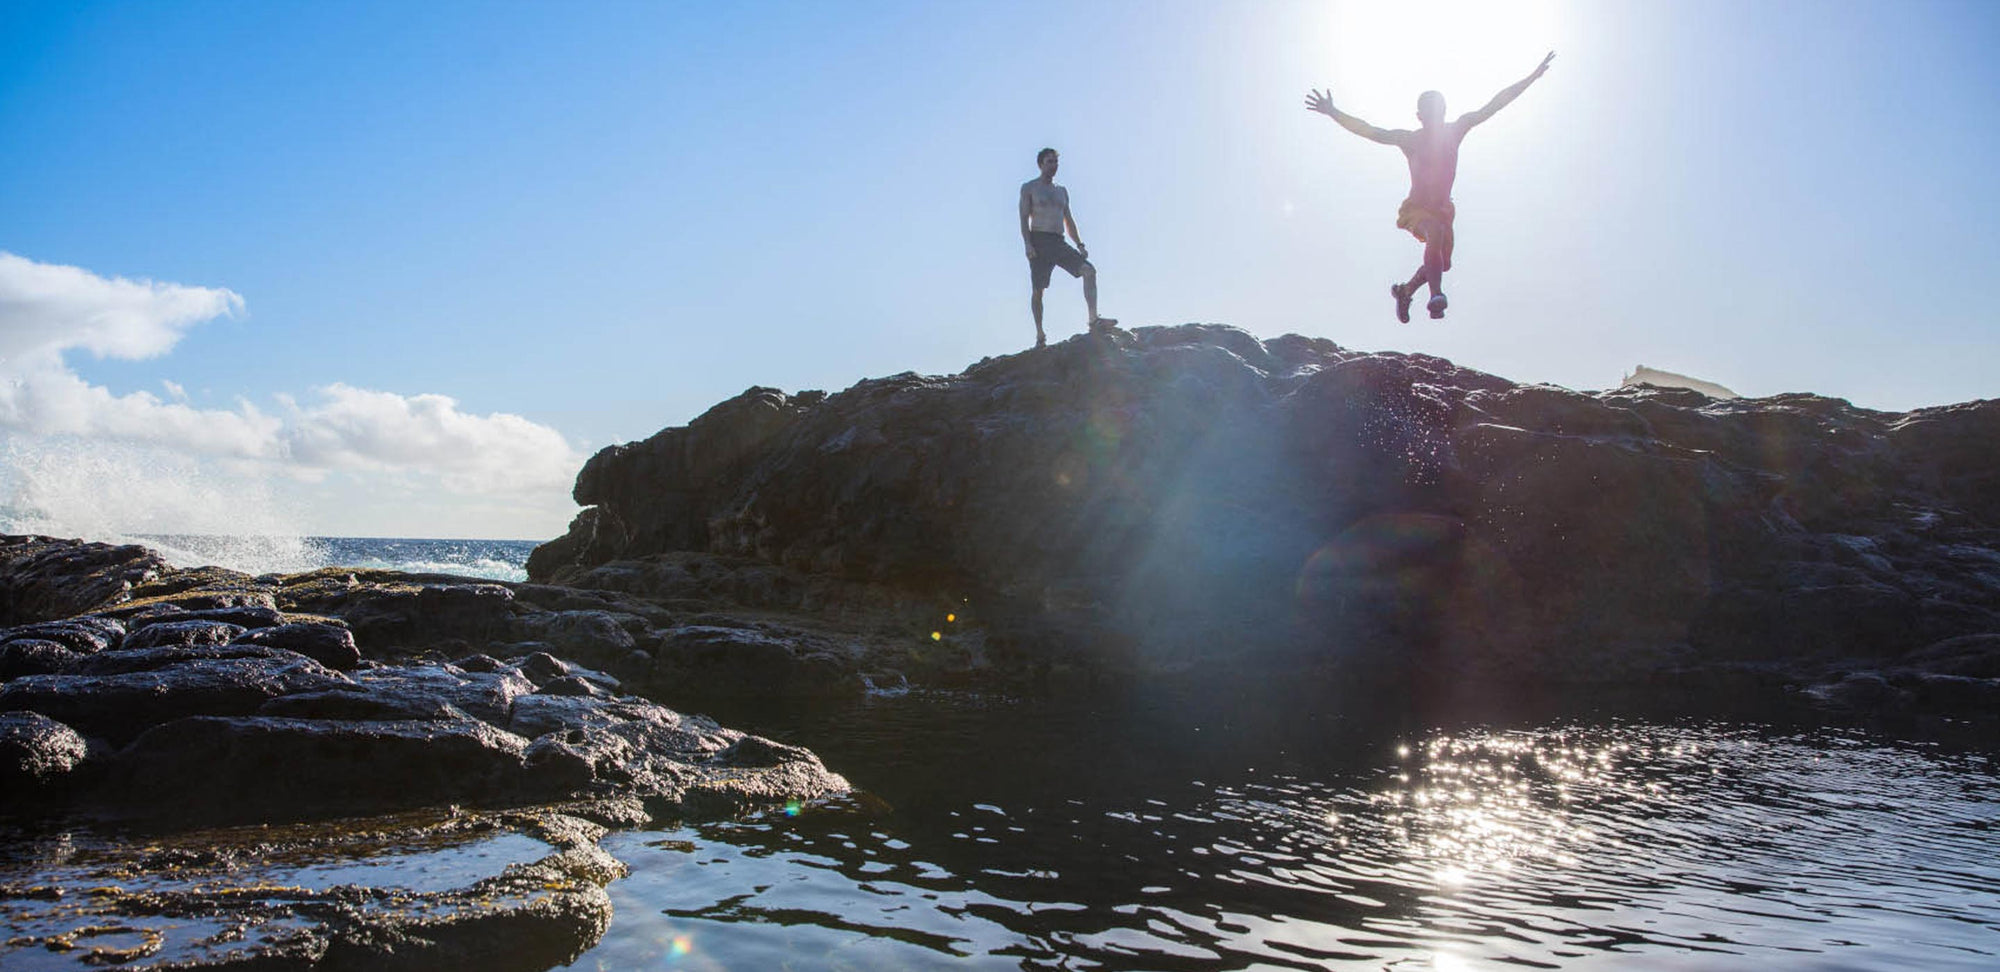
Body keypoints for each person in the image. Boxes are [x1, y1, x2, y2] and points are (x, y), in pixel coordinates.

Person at [1306, 52, 1554, 322]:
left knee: (1441, 263)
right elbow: (1368, 130)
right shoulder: (1409, 140)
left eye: (1440, 111)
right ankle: (1436, 296)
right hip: (1416, 209)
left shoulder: (1456, 130)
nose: (1436, 117)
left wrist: (1532, 77)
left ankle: (1406, 290)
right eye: (1430, 113)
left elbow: (1494, 104)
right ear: (1419, 116)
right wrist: (1333, 112)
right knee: (1433, 235)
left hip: (1443, 210)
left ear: (1445, 112)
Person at [1019, 147, 1115, 348]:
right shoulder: (1029, 188)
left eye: (1055, 162)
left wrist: (1079, 243)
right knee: (1038, 291)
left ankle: (1093, 320)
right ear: (1040, 164)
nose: (1053, 166)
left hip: (1058, 241)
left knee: (1089, 270)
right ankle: (1040, 335)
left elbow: (1068, 220)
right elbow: (1023, 219)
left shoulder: (1061, 191)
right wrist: (1028, 244)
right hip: (1039, 241)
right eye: (1049, 162)